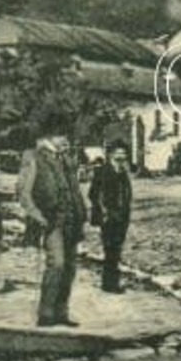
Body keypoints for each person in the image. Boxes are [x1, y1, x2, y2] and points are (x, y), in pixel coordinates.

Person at [20, 123, 87, 327]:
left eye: (66, 135)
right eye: (60, 135)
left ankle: (62, 312)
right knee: (56, 264)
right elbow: (23, 193)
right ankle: (46, 313)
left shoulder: (66, 159)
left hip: (71, 221)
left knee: (70, 267)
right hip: (51, 222)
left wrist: (82, 214)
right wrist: (37, 217)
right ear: (48, 136)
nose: (65, 139)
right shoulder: (33, 157)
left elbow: (74, 190)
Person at [88, 141, 134, 294]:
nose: (122, 156)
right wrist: (104, 211)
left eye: (124, 153)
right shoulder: (102, 171)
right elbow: (93, 193)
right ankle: (109, 284)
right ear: (111, 154)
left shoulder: (122, 172)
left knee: (117, 248)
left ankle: (111, 281)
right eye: (119, 153)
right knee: (110, 249)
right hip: (108, 216)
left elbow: (126, 194)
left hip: (122, 216)